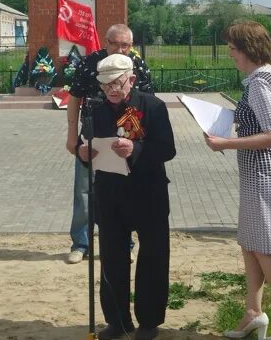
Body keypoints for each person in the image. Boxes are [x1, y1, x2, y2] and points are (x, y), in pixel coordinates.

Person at [205, 21, 271, 340]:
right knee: (250, 243)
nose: (230, 55)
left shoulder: (259, 83)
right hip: (264, 173)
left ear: (247, 50)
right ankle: (253, 312)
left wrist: (225, 143)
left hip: (267, 174)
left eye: (232, 49)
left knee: (268, 250)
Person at [78, 53, 176, 340]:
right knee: (112, 257)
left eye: (117, 83)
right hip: (110, 194)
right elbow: (87, 144)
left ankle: (149, 321)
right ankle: (117, 321)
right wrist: (83, 153)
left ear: (131, 80)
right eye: (105, 84)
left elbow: (167, 149)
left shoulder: (153, 106)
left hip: (148, 192)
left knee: (153, 257)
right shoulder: (94, 110)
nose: (111, 89)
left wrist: (136, 150)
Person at [66, 24, 154, 264]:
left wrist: (141, 142)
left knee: (124, 191)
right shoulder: (90, 63)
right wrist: (72, 134)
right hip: (93, 136)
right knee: (84, 190)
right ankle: (81, 243)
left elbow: (148, 102)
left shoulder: (139, 65)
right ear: (105, 42)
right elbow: (74, 97)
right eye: (115, 43)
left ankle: (126, 243)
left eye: (125, 45)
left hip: (126, 138)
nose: (120, 49)